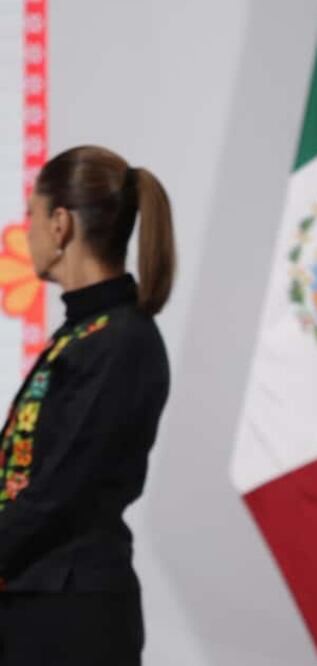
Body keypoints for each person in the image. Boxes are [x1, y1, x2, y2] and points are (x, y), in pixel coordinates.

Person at [0, 146, 174, 663]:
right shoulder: (84, 332)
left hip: (70, 617)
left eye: (31, 214)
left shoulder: (121, 341)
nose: (26, 231)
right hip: (36, 602)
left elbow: (57, 492)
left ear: (60, 224)